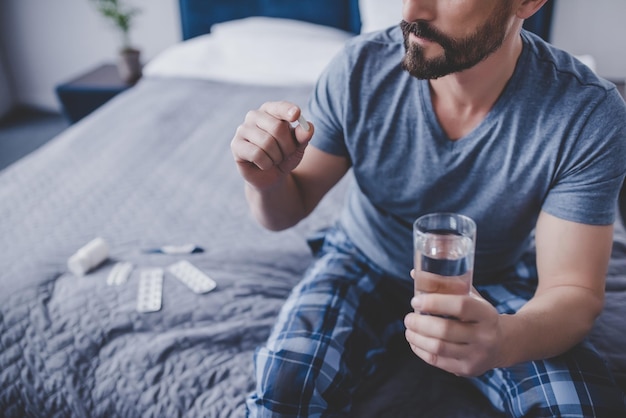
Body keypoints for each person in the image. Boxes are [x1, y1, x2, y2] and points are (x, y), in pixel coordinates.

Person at [231, 0, 626, 416]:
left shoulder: (587, 113)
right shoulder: (359, 69)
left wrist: (504, 339)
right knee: (282, 393)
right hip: (360, 258)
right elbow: (283, 214)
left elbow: (573, 292)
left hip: (491, 276)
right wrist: (264, 177)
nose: (411, 9)